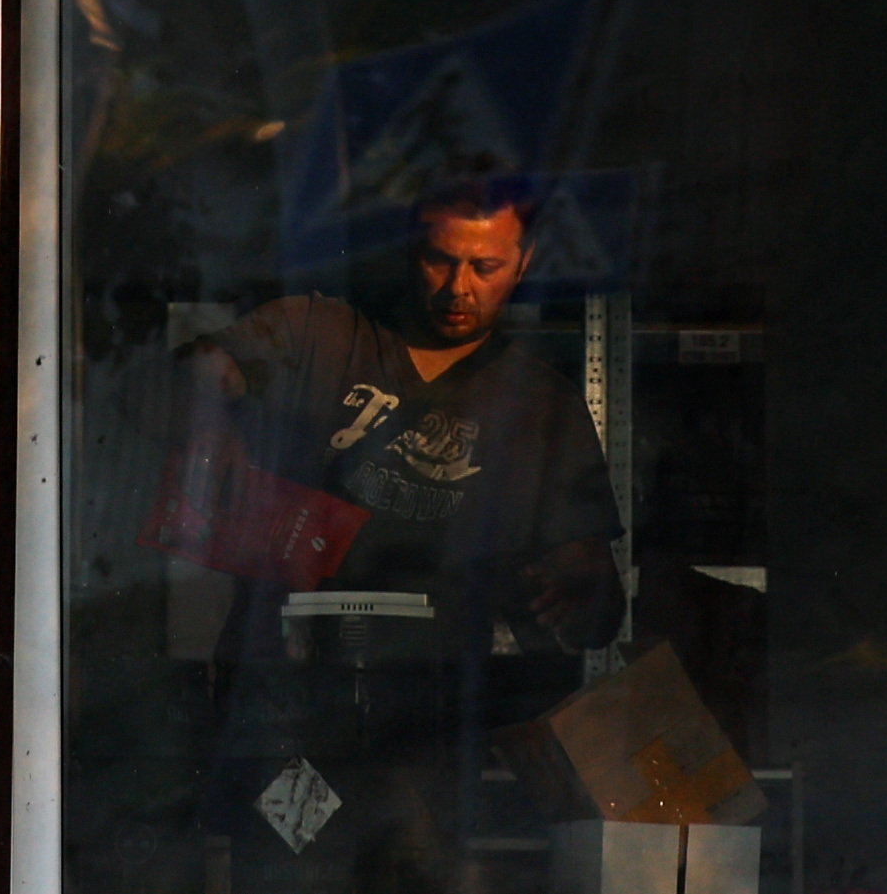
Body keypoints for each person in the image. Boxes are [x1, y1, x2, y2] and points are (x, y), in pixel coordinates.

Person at [168, 185, 620, 894]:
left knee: (408, 870)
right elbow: (204, 364)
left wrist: (576, 587)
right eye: (441, 259)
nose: (459, 286)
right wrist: (210, 423)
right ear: (412, 248)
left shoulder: (539, 404)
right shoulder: (320, 330)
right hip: (288, 700)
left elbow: (596, 603)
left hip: (425, 721)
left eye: (485, 265)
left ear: (524, 260)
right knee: (292, 871)